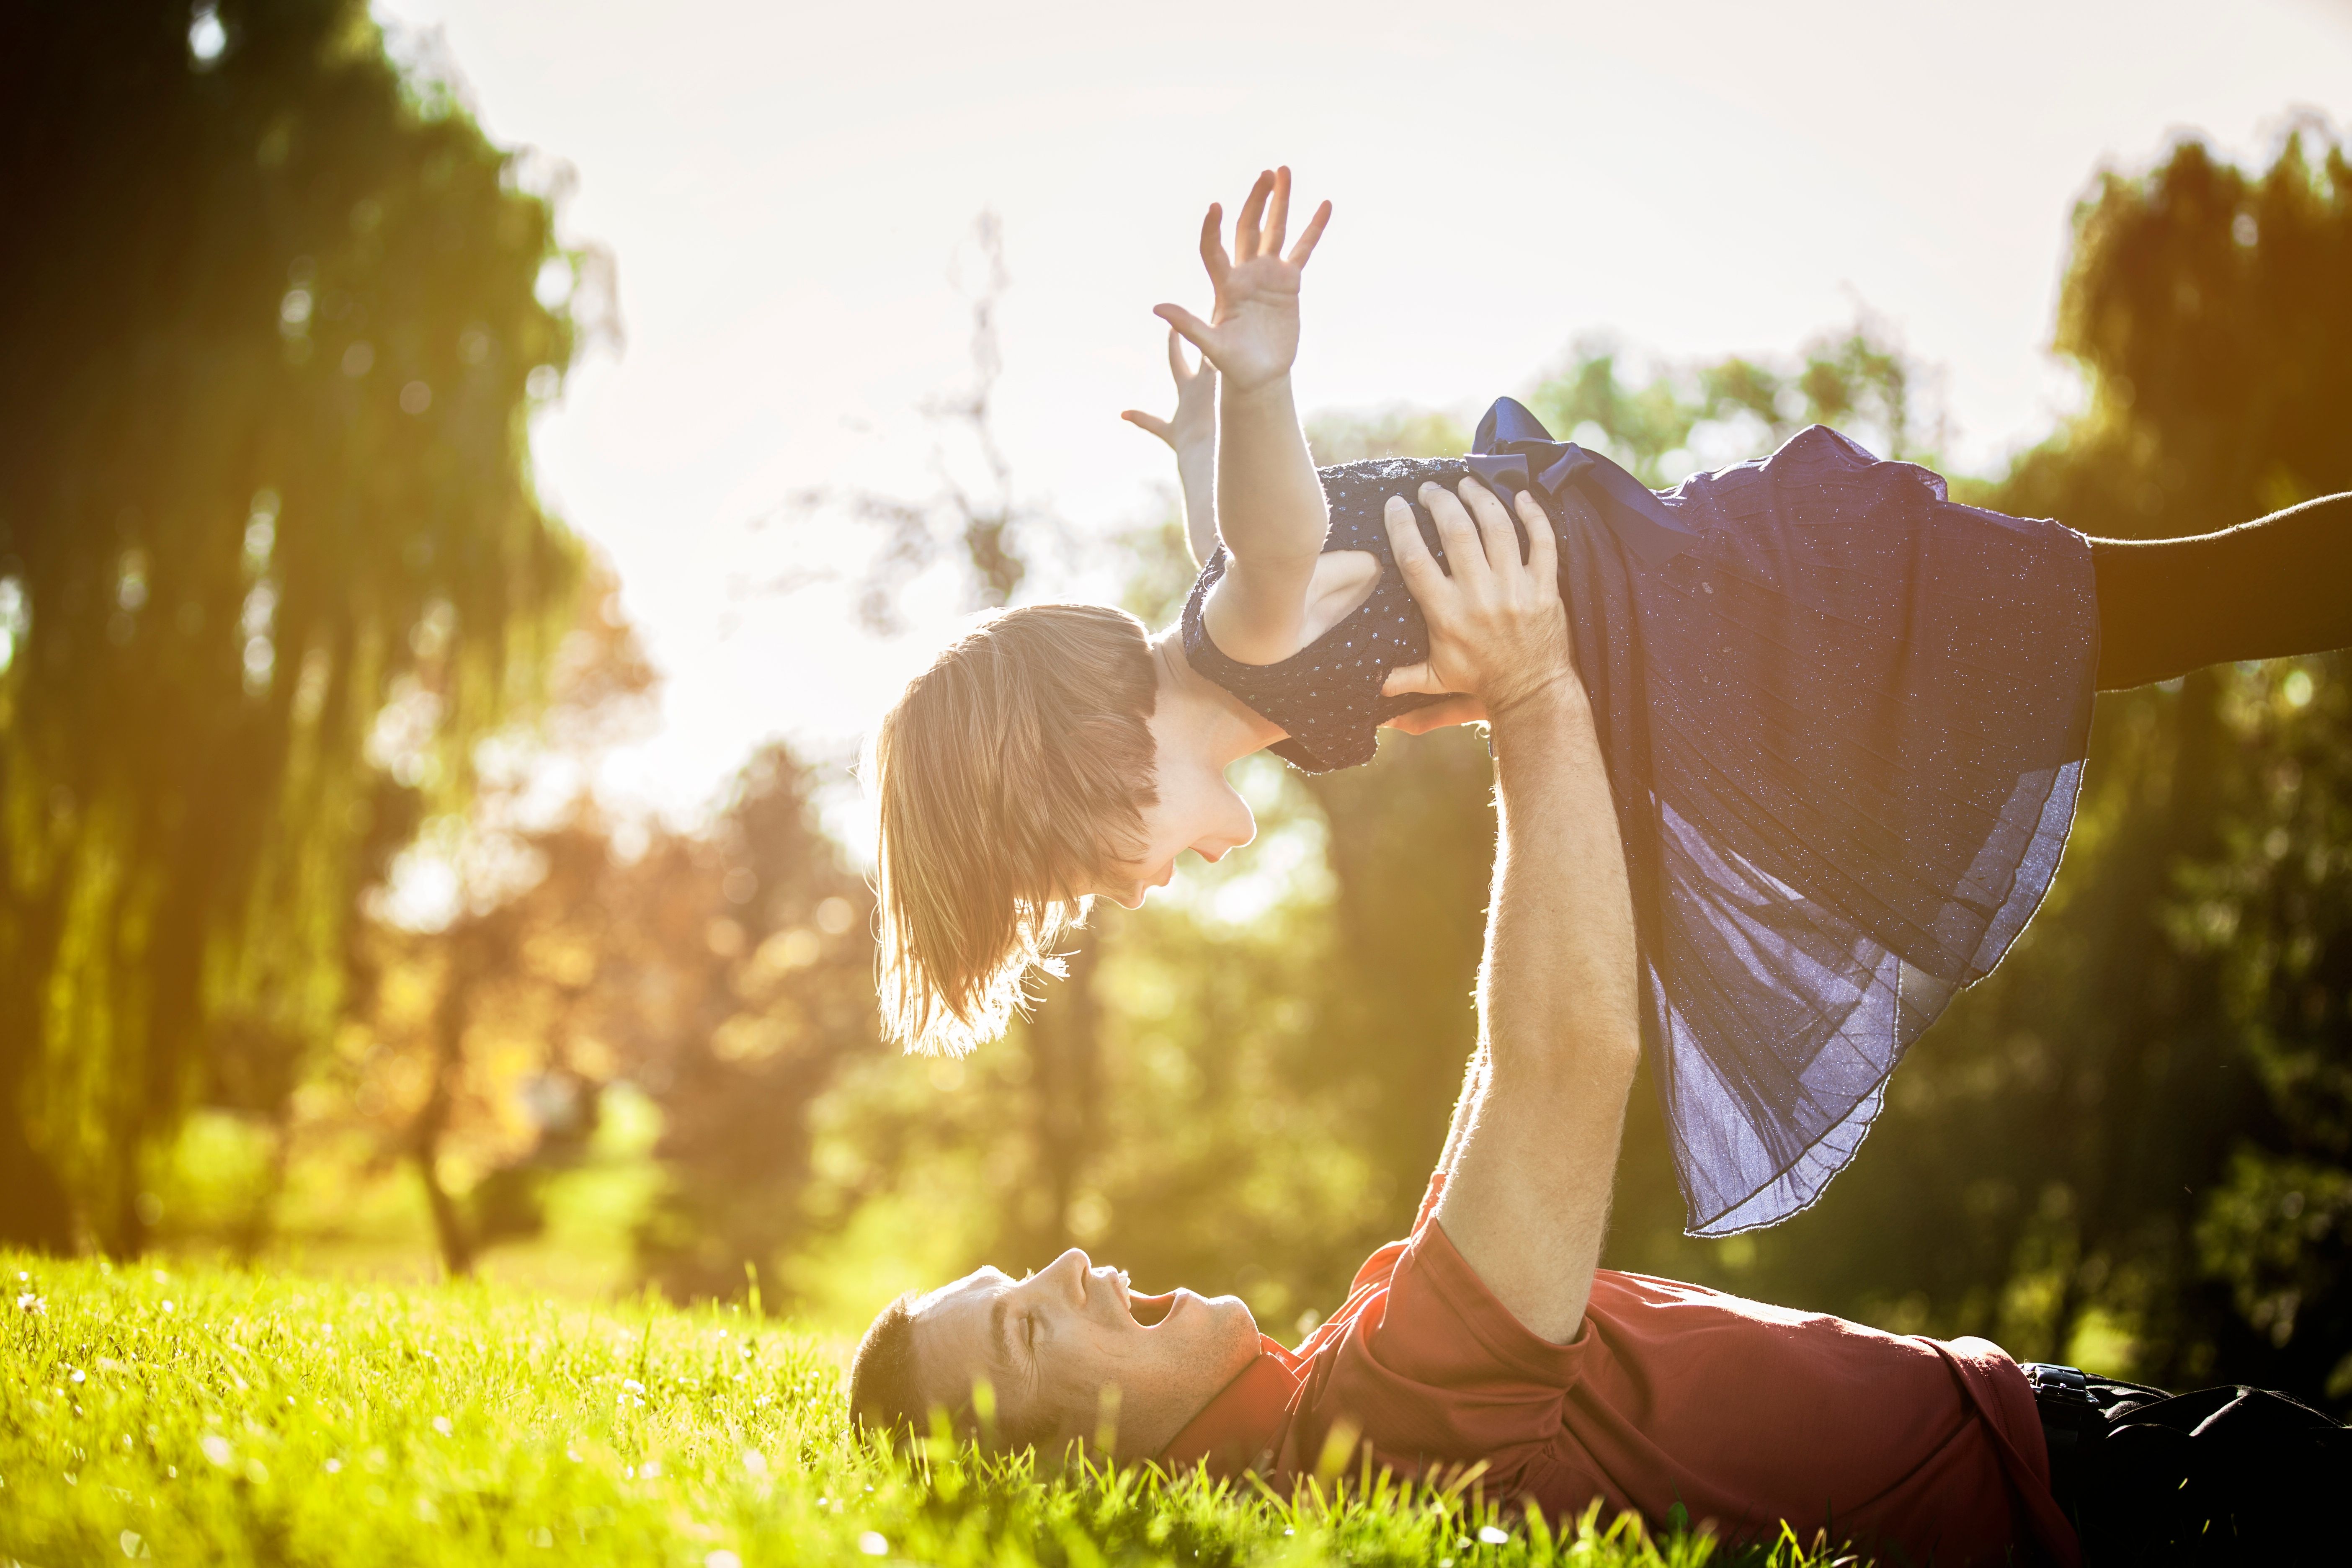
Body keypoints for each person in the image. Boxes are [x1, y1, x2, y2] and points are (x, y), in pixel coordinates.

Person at [848, 486, 2350, 1565]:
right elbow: (1560, 1062)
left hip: (2069, 1443)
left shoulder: (1345, 1387)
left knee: (2172, 597)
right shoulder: (1374, 1442)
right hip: (2120, 1507)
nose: (1068, 1268)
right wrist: (1536, 688)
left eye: (1024, 1279)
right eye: (1032, 1327)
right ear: (1082, 1472)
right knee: (2159, 600)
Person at [868, 165, 2352, 1235]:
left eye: (1081, 872)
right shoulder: (1240, 628)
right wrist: (1200, 436)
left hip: (1756, 607)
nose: (1121, 897)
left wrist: (1254, 384)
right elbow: (1232, 532)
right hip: (1732, 637)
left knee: (2168, 608)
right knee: (2168, 614)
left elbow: (1261, 534)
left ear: (1093, 764)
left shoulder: (1253, 622)